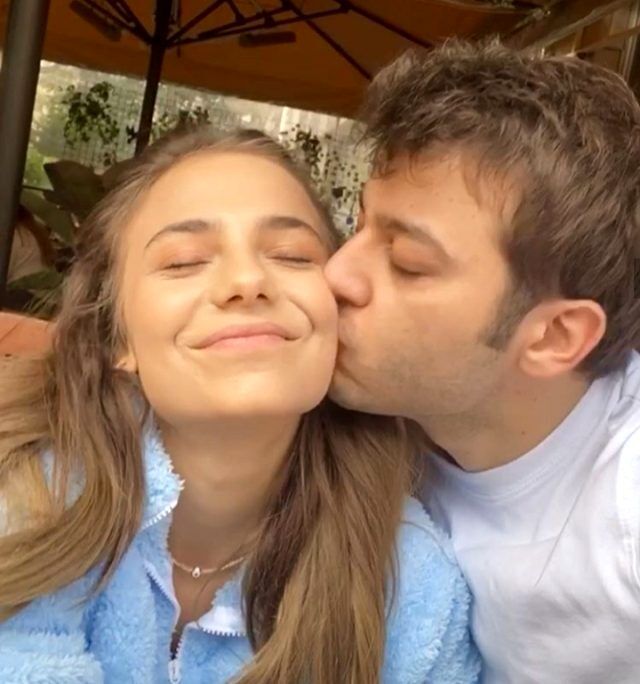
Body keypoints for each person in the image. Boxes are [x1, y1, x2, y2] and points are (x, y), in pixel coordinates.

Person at [0, 128, 479, 684]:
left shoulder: (413, 584)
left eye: (291, 255)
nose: (248, 280)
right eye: (184, 262)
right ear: (116, 337)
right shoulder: (24, 497)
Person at [325, 39, 640, 684]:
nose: (337, 274)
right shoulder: (350, 417)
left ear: (553, 336)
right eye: (357, 225)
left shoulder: (624, 513)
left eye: (408, 263)